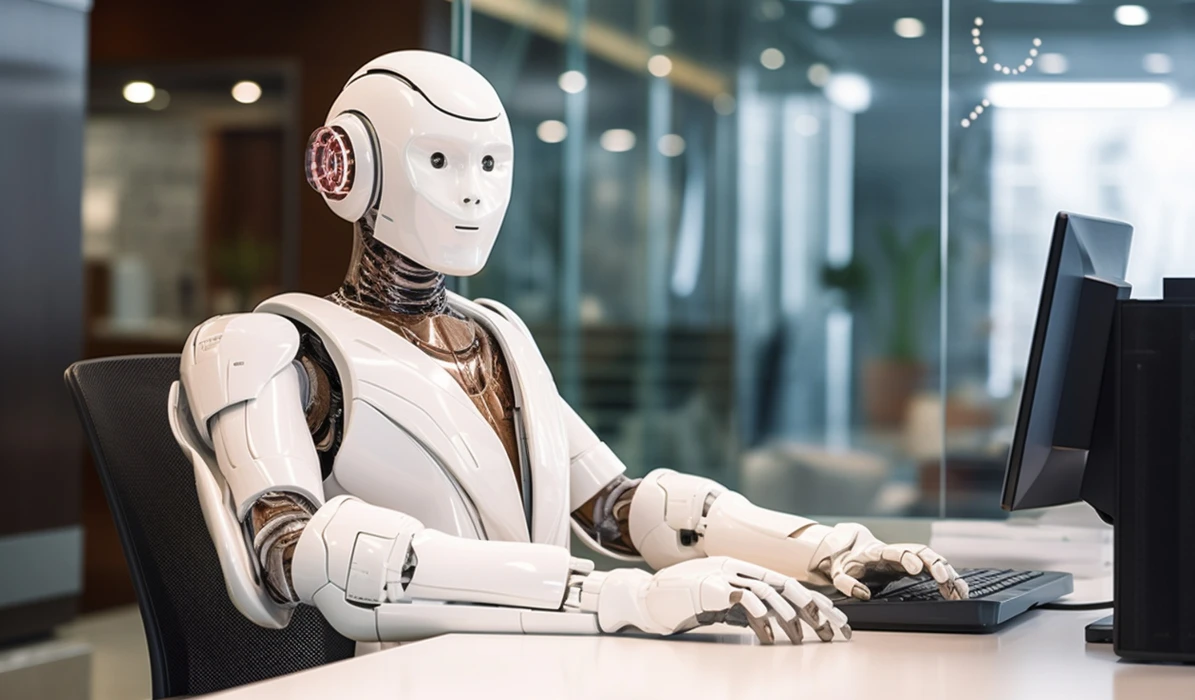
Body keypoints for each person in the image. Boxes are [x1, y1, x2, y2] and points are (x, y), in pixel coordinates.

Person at [169, 50, 967, 647]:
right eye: (440, 161)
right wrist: (610, 600)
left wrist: (828, 552)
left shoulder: (498, 338)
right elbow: (291, 551)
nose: (473, 190)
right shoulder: (273, 349)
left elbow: (619, 507)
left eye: (489, 162)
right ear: (346, 168)